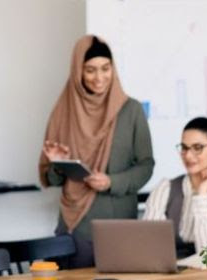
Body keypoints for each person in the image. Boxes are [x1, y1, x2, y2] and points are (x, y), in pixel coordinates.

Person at [39, 35, 154, 268]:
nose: (99, 78)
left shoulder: (130, 110)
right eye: (90, 70)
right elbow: (50, 178)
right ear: (78, 71)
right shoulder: (64, 111)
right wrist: (58, 163)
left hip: (117, 225)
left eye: (105, 68)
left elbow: (146, 165)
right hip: (74, 226)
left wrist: (112, 181)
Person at [142, 116, 207, 268]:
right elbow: (147, 246)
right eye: (184, 148)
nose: (188, 156)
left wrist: (202, 195)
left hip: (206, 279)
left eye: (197, 148)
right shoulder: (165, 188)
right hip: (166, 274)